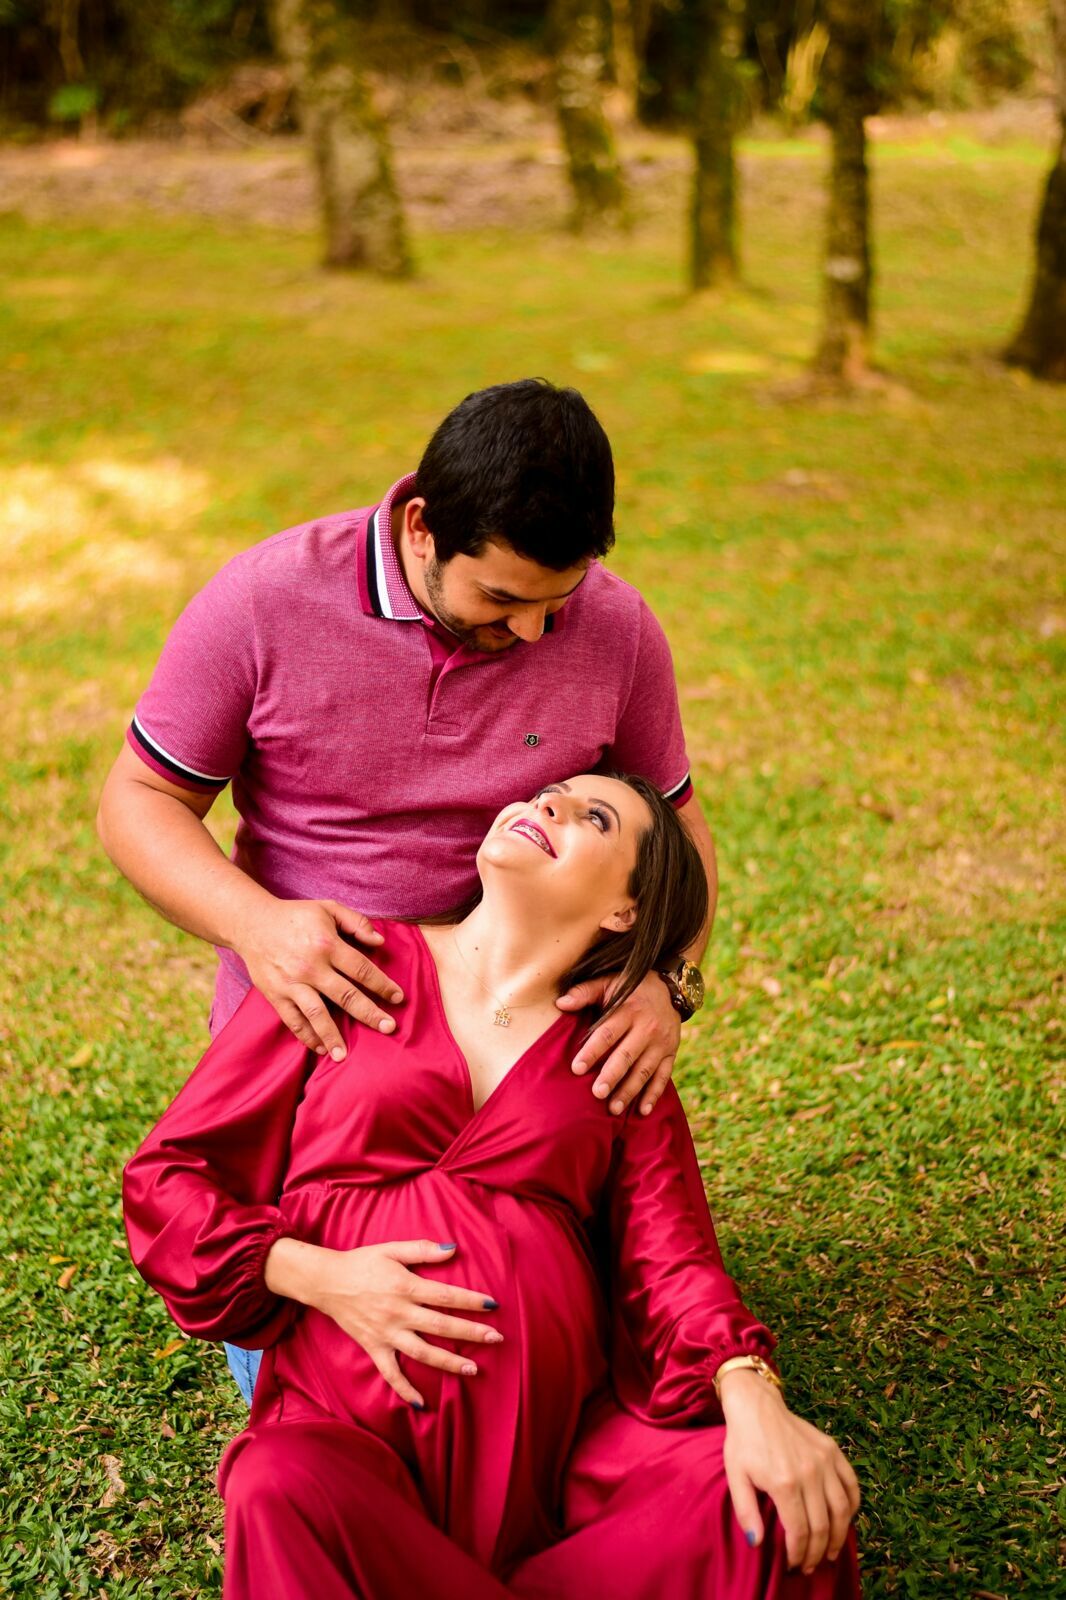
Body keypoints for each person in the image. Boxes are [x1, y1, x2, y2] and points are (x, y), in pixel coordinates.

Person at [98, 377, 718, 1405]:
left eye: (554, 605)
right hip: (326, 1050)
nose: (530, 635)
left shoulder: (618, 632)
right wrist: (259, 926)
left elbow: (678, 837)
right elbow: (139, 798)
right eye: (503, 600)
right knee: (348, 1398)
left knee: (578, 1371)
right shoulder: (263, 600)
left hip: (518, 1047)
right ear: (423, 528)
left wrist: (668, 982)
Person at [124, 773, 862, 1600]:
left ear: (626, 908)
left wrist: (750, 1390)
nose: (547, 805)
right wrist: (319, 1275)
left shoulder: (619, 1052)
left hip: (562, 1465)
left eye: (594, 817)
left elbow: (673, 1261)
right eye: (548, 793)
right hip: (348, 1440)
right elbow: (170, 1178)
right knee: (277, 1488)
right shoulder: (347, 966)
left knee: (775, 1514)